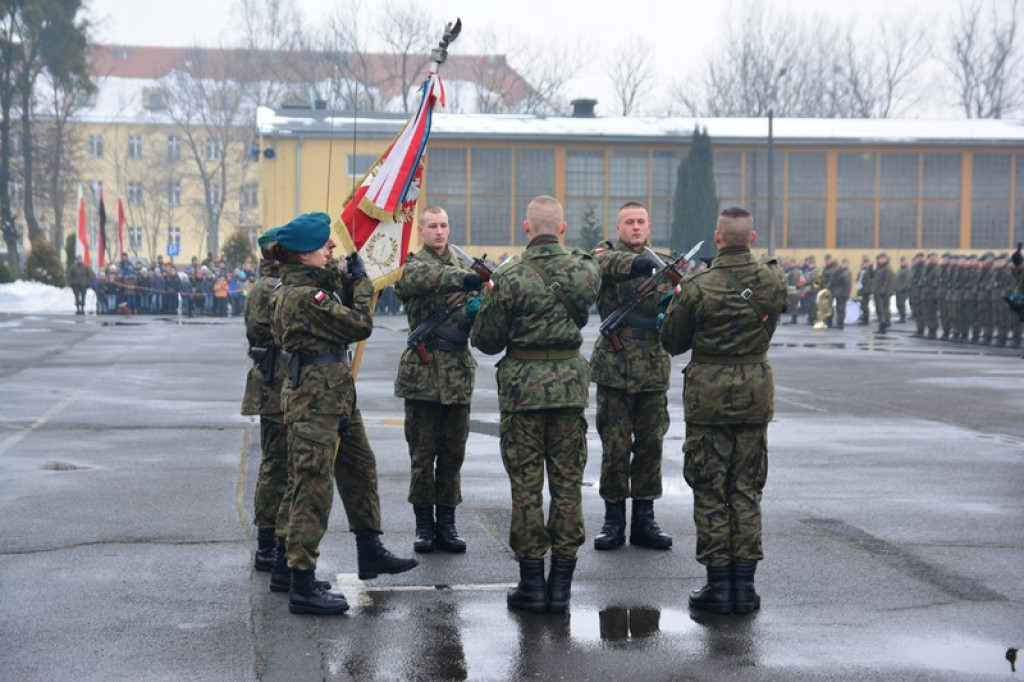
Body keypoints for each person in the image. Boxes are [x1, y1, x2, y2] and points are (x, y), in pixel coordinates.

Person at [270, 212, 417, 616]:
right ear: (302, 255)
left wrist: (350, 272)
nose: (331, 247)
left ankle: (369, 551)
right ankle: (301, 581)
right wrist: (362, 282)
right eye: (323, 245)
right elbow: (359, 324)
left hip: (335, 395)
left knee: (359, 469)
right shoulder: (302, 296)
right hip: (316, 401)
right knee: (312, 491)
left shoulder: (309, 282)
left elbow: (336, 282)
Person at [470, 195, 601, 613]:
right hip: (568, 390)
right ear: (563, 228)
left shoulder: (510, 277)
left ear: (526, 228)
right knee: (567, 488)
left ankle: (532, 585)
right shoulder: (585, 271)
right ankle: (561, 586)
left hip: (523, 392)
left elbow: (487, 342)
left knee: (526, 489)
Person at [659, 206, 787, 615]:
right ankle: (745, 589)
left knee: (711, 491)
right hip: (753, 394)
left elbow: (673, 343)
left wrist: (671, 311)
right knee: (747, 490)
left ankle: (718, 587)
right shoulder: (772, 279)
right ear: (751, 238)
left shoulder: (699, 286)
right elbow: (772, 320)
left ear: (717, 238)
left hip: (709, 401)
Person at [394, 206, 483, 554]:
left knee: (452, 454)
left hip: (458, 370)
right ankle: (423, 526)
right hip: (423, 371)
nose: (439, 232)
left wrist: (480, 304)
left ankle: (447, 522)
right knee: (422, 454)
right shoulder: (415, 265)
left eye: (444, 225)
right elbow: (417, 281)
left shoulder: (465, 268)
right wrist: (463, 281)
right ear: (421, 231)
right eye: (432, 226)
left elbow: (479, 302)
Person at [588, 201, 673, 552]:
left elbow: (677, 303)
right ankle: (613, 521)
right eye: (629, 222)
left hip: (652, 367)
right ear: (618, 228)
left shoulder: (665, 266)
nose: (636, 227)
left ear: (649, 227)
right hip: (616, 366)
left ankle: (644, 519)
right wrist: (642, 264)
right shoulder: (605, 257)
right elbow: (602, 267)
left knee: (651, 446)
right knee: (616, 447)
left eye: (641, 222)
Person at [241, 227, 289, 574]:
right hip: (276, 384)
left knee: (279, 465)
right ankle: (268, 543)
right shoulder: (270, 288)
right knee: (276, 466)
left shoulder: (274, 284)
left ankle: (273, 541)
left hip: (277, 382)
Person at [872, 253, 895, 334]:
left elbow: (888, 280)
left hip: (884, 292)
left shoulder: (887, 268)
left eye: (882, 258)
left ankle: (883, 325)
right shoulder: (878, 268)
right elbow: (872, 277)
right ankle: (881, 324)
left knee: (883, 309)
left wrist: (883, 290)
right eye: (879, 258)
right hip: (877, 291)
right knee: (879, 309)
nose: (881, 260)